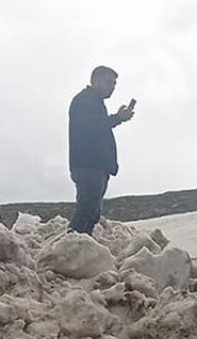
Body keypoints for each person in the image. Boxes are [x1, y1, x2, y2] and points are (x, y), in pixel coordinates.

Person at [68, 66, 134, 234]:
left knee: (90, 214)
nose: (112, 87)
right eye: (108, 82)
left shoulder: (92, 102)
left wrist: (116, 119)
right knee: (86, 215)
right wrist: (118, 118)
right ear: (96, 80)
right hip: (90, 167)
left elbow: (96, 125)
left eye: (114, 84)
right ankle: (72, 253)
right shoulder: (85, 100)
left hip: (93, 167)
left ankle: (77, 251)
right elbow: (92, 127)